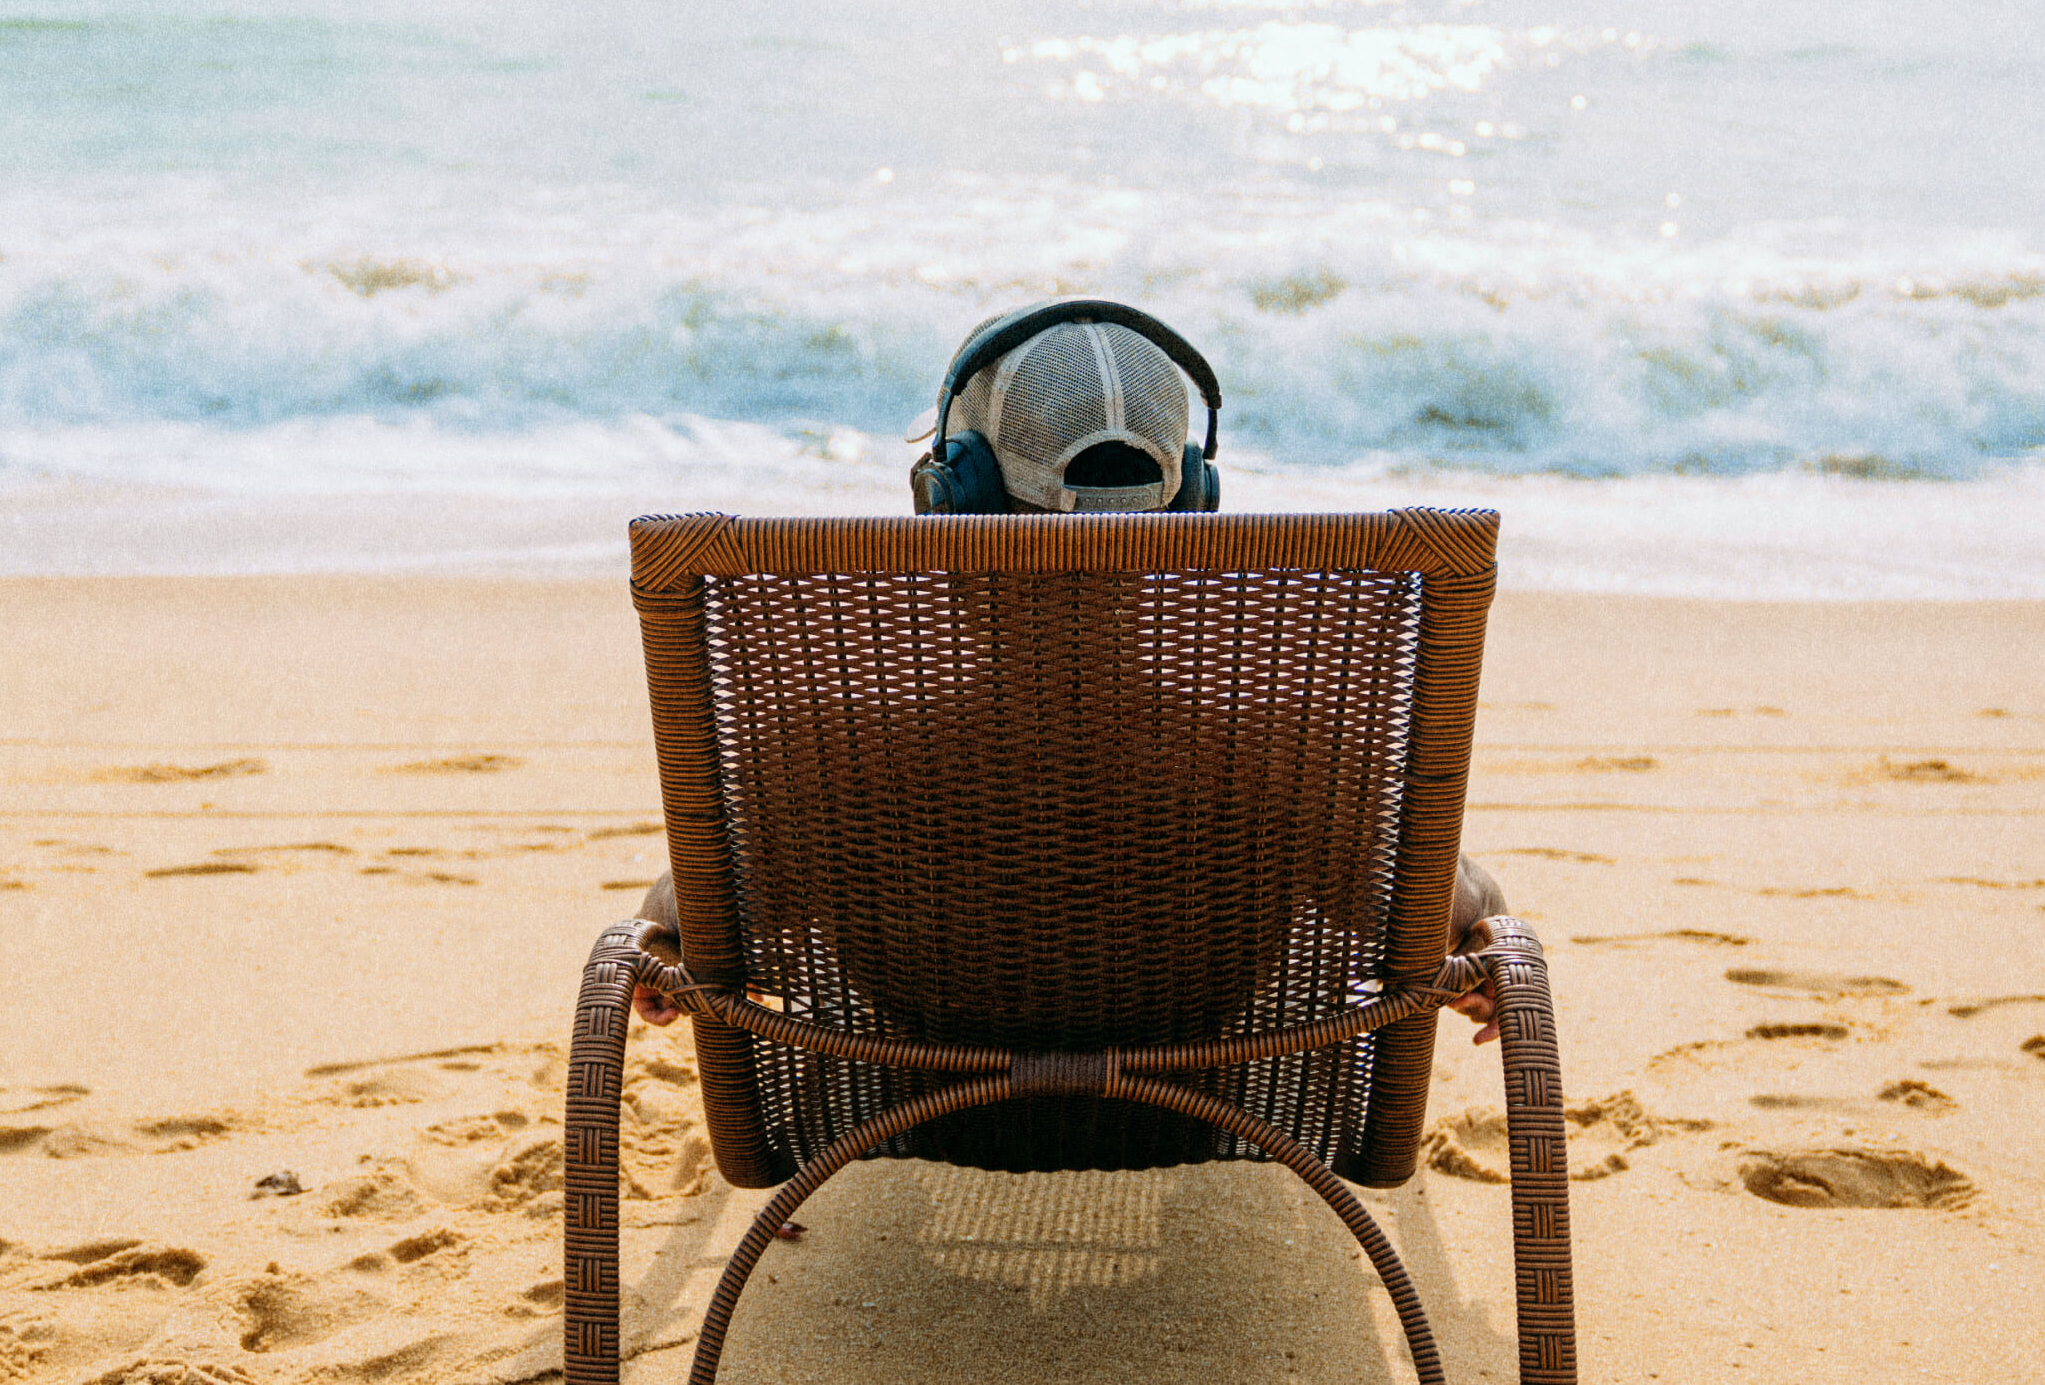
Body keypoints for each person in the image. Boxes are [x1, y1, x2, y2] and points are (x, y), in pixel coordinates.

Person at [630, 300, 1510, 1042]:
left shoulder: (838, 757)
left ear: (950, 503)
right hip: (1190, 1101)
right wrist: (1482, 917)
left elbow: (695, 914)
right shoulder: (1279, 756)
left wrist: (663, 932)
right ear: (1193, 508)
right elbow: (1442, 915)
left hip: (924, 1093)